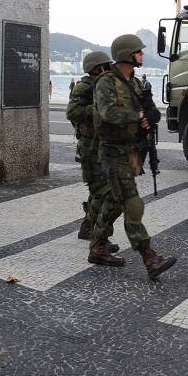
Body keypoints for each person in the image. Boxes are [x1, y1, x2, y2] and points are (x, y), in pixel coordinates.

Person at [88, 34, 176, 280]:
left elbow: (142, 112)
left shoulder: (134, 83)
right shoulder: (106, 82)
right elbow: (107, 112)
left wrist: (149, 119)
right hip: (112, 151)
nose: (142, 54)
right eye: (138, 51)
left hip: (131, 150)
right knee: (132, 202)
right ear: (127, 54)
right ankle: (150, 257)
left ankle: (97, 247)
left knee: (116, 201)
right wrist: (136, 116)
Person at [66, 51, 116, 242]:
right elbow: (72, 112)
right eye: (106, 66)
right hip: (90, 148)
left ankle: (88, 228)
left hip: (102, 146)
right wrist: (96, 109)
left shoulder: (103, 85)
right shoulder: (84, 87)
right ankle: (96, 234)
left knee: (99, 189)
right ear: (96, 68)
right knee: (102, 189)